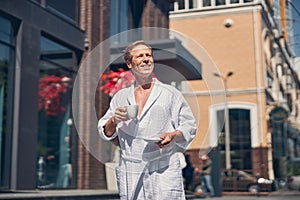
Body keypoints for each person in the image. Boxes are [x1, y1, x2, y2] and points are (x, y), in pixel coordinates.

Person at [98, 40, 197, 200]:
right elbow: (106, 132)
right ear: (129, 64)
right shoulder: (121, 97)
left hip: (163, 166)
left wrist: (173, 135)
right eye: (140, 56)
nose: (146, 59)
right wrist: (114, 120)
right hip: (132, 168)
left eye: (148, 55)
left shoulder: (170, 93)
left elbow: (189, 125)